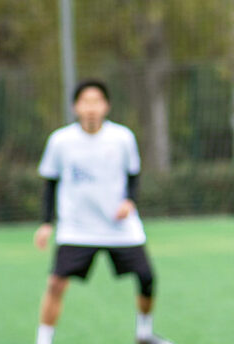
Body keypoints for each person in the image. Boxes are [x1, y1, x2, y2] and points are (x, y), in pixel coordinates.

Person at [33, 80, 172, 344]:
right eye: (85, 102)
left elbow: (133, 175)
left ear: (106, 106)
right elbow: (50, 183)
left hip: (118, 227)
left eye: (96, 101)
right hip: (77, 227)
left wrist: (130, 201)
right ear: (76, 107)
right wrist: (45, 223)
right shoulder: (61, 141)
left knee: (146, 277)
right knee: (56, 284)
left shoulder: (122, 138)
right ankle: (43, 341)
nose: (91, 108)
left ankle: (144, 334)